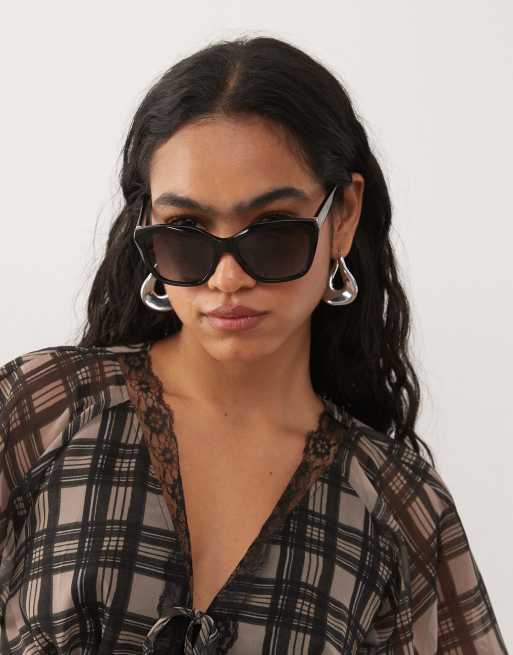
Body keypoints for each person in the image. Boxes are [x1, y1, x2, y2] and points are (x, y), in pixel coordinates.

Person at [0, 36, 508, 655]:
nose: (227, 277)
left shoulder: (399, 505)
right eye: (186, 230)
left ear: (342, 216)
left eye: (271, 230)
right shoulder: (39, 411)